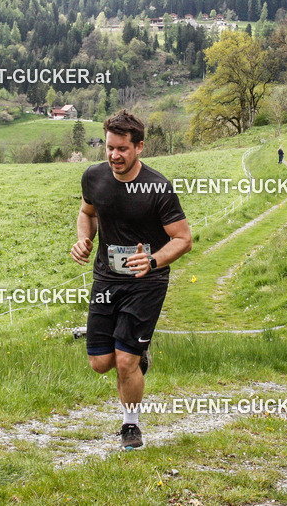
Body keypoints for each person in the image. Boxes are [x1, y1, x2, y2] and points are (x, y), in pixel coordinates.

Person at [70, 110, 192, 450]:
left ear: (139, 147)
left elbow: (183, 239)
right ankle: (139, 355)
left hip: (146, 282)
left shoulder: (158, 187)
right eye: (109, 147)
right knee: (100, 363)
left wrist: (152, 261)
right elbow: (86, 212)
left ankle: (130, 425)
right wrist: (84, 239)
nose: (113, 155)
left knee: (124, 362)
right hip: (106, 280)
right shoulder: (94, 177)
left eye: (122, 148)